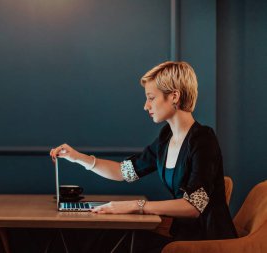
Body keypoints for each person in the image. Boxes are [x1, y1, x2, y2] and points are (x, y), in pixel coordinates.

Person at [50, 61, 238, 252]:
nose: (146, 106)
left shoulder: (203, 139)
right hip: (180, 237)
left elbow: (193, 207)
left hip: (206, 242)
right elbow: (123, 172)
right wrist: (77, 157)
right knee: (107, 235)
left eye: (151, 98)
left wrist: (135, 205)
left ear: (174, 96)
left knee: (122, 240)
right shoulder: (166, 137)